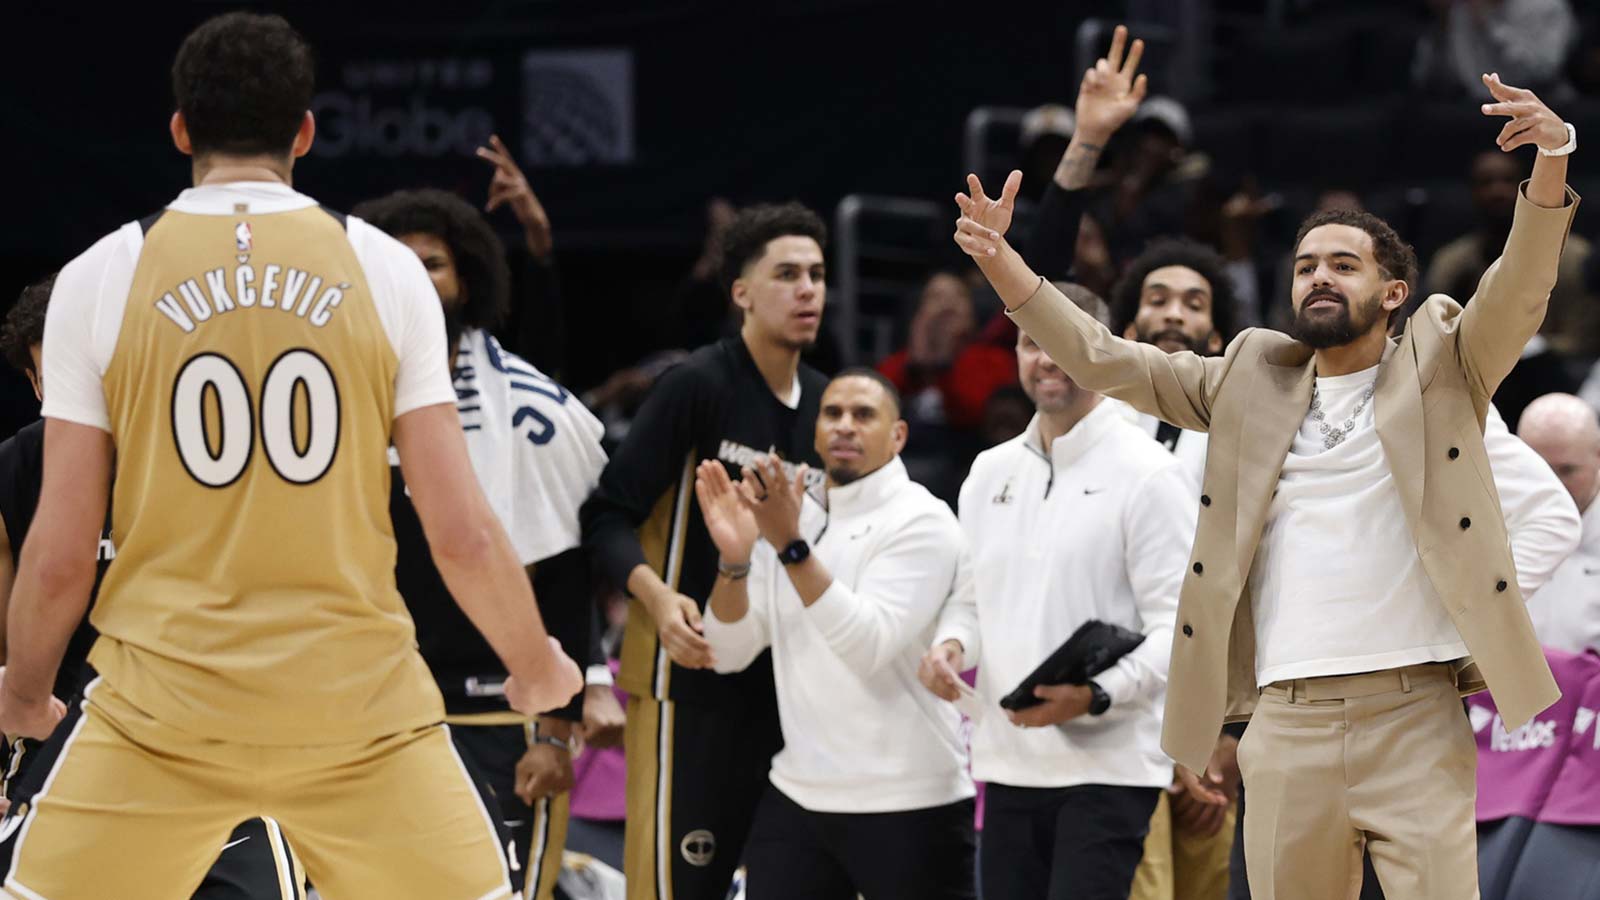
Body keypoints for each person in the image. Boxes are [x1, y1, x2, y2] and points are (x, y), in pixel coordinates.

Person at [951, 27, 1579, 896]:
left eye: (1344, 265)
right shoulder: (1250, 376)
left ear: (1394, 292)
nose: (1319, 276)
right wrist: (1004, 265)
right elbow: (1102, 357)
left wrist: (1552, 159)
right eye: (1306, 264)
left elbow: (1519, 286)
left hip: (1415, 711)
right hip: (1282, 721)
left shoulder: (1445, 360)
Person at [0, 13, 581, 898]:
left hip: (161, 715)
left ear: (181, 131)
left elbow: (59, 549)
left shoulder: (100, 274)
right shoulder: (385, 269)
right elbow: (459, 530)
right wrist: (537, 666)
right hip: (358, 713)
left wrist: (25, 692)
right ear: (305, 131)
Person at [0, 276, 309, 899]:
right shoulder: (15, 471)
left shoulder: (226, 454)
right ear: (37, 386)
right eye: (60, 376)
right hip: (70, 749)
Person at [354, 186, 619, 900]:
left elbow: (565, 569)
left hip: (498, 714)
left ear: (463, 279)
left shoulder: (529, 414)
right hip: (368, 712)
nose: (412, 274)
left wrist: (557, 731)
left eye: (432, 263)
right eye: (396, 261)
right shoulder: (324, 410)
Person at [579, 202, 829, 900]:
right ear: (741, 293)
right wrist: (657, 600)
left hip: (787, 693)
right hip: (685, 682)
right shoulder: (696, 385)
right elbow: (606, 516)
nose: (808, 288)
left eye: (816, 273)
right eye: (787, 274)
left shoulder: (824, 403)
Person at [920, 290, 1192, 900]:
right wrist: (950, 647)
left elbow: (1178, 628)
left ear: (1099, 347)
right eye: (1030, 342)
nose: (1045, 359)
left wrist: (1095, 695)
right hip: (1006, 761)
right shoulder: (988, 472)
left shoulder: (1149, 473)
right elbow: (970, 598)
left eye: (1060, 340)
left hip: (1110, 766)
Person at [697, 369, 975, 900]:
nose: (845, 426)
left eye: (864, 415)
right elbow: (728, 653)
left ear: (898, 437)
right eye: (833, 414)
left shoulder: (922, 520)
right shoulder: (795, 518)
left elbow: (866, 645)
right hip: (799, 796)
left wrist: (790, 547)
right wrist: (735, 560)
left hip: (909, 800)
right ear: (817, 432)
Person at [1520, 393, 1600, 654]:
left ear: (1598, 456)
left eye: (1567, 470)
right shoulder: (1485, 526)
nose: (1552, 485)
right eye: (1539, 468)